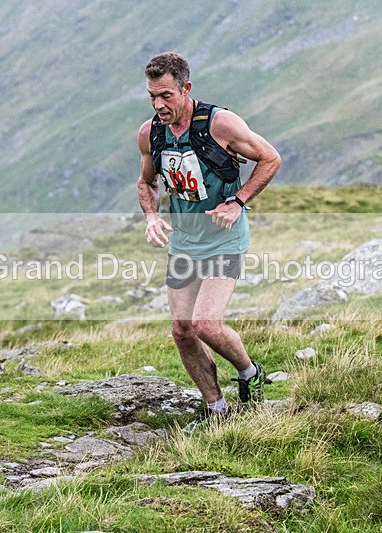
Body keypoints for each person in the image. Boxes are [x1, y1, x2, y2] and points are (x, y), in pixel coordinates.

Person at [136, 52, 281, 433]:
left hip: (224, 240)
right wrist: (152, 215)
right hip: (184, 242)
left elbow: (270, 158)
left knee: (206, 324)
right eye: (152, 96)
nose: (158, 105)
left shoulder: (221, 123)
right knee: (182, 330)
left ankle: (250, 374)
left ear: (186, 88)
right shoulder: (150, 133)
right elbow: (146, 181)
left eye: (166, 95)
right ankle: (215, 409)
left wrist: (237, 201)